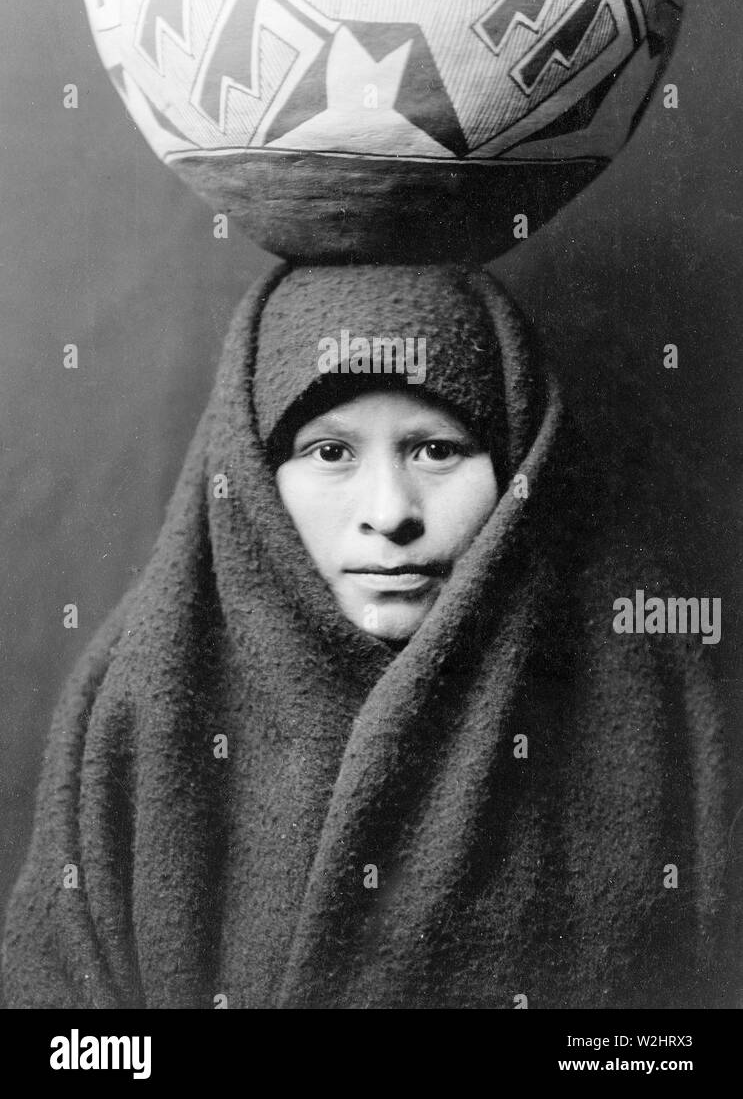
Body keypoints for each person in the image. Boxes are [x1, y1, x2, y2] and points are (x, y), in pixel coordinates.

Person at [2, 261, 736, 1009]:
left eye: (436, 449)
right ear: (252, 477)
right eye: (330, 453)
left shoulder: (654, 693)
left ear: (522, 462)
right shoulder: (136, 702)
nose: (389, 512)